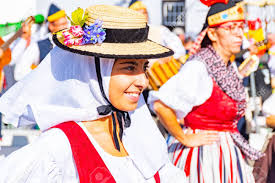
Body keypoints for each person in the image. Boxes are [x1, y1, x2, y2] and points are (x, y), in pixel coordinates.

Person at [0, 5, 186, 182]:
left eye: (144, 67)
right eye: (129, 67)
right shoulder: (58, 148)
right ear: (94, 71)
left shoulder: (138, 132)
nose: (143, 82)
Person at [148, 1, 263, 182]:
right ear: (212, 33)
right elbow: (161, 104)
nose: (239, 33)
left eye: (241, 27)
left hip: (227, 152)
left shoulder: (226, 65)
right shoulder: (199, 67)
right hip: (203, 156)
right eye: (231, 28)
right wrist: (184, 138)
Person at [14, 3, 68, 81]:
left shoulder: (71, 43)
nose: (66, 27)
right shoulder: (38, 45)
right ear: (51, 26)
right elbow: (19, 72)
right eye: (62, 24)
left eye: (66, 23)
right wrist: (40, 75)